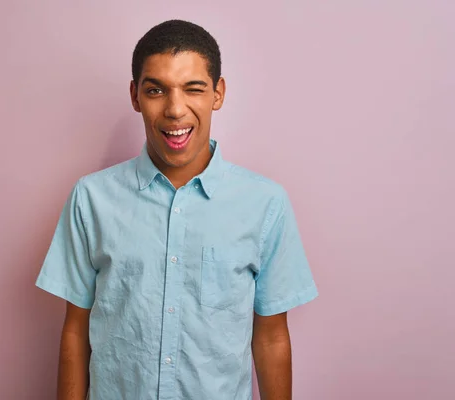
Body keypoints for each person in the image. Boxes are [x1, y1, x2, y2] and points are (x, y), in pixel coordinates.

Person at [36, 19, 318, 400]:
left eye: (193, 89)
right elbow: (75, 329)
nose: (175, 109)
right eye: (156, 90)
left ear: (217, 93)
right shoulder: (91, 199)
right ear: (135, 95)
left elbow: (270, 337)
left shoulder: (265, 204)